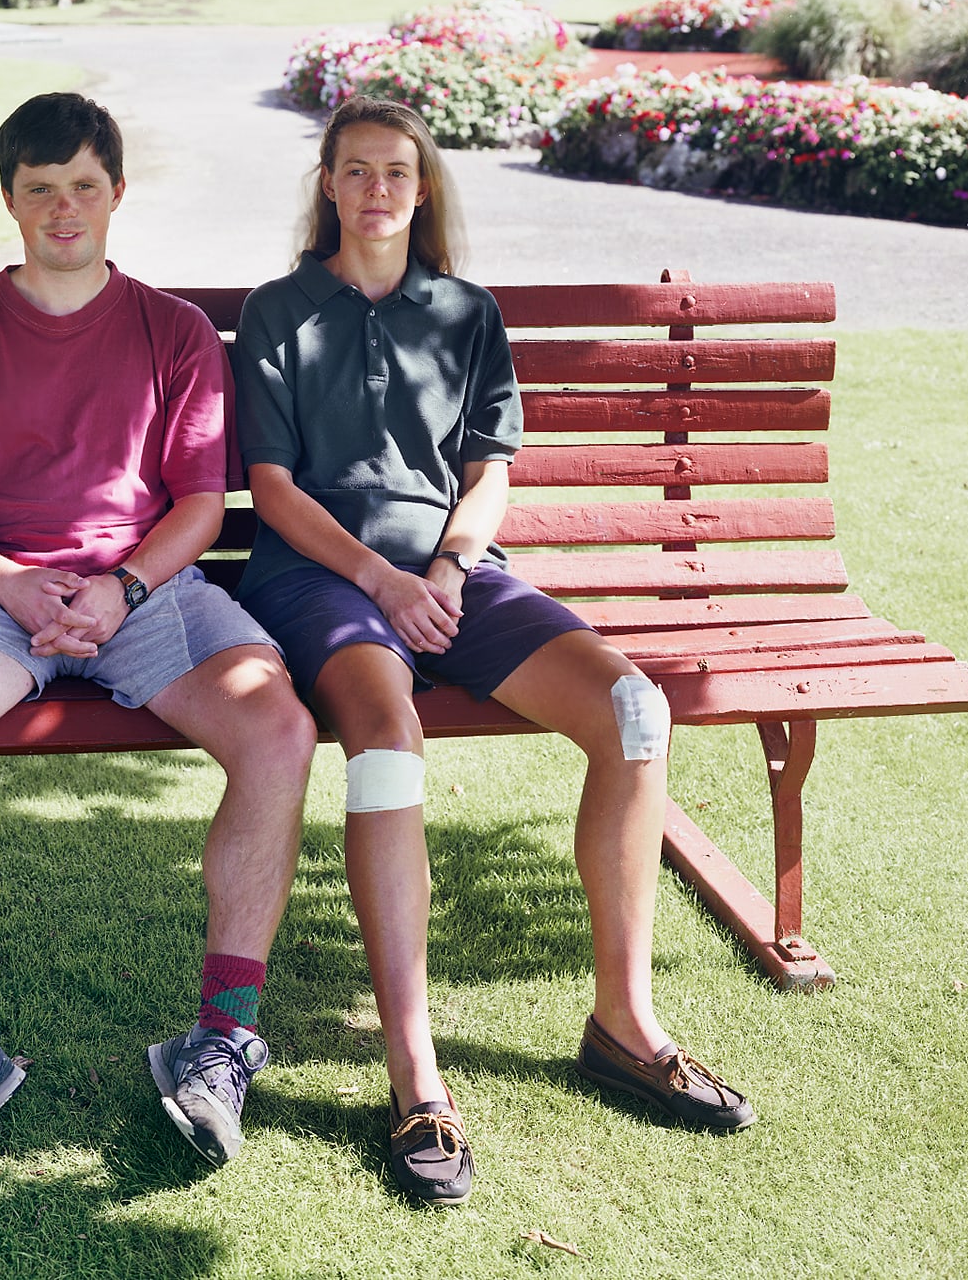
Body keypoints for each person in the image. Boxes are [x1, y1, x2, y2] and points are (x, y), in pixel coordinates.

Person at [230, 95, 754, 1207]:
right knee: (384, 743)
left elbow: (489, 472)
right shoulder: (278, 313)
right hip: (320, 579)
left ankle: (625, 1023)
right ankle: (416, 1071)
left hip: (451, 576)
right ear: (327, 183)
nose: (378, 190)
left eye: (399, 173)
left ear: (424, 189)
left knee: (635, 712)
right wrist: (381, 578)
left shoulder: (467, 312)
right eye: (358, 171)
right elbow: (270, 487)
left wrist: (451, 569)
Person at [0, 93, 317, 1176]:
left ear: (116, 194)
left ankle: (223, 1036)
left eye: (84, 187)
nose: (64, 210)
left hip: (144, 589)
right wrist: (10, 582)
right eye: (41, 190)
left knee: (277, 731)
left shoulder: (175, 332)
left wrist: (125, 588)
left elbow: (200, 503)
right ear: (9, 199)